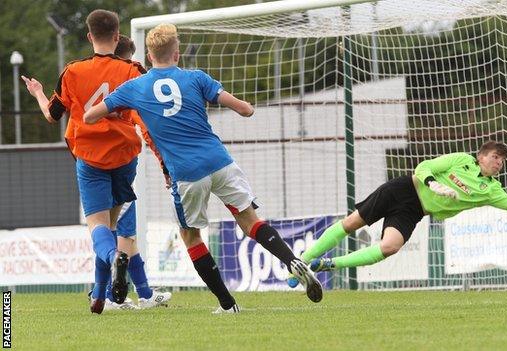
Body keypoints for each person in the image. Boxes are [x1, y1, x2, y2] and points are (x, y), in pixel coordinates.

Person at [84, 23, 323, 312]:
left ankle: (227, 304)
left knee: (191, 236)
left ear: (149, 56)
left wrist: (118, 107)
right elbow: (244, 109)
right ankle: (291, 260)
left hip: (187, 175)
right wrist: (247, 106)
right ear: (177, 54)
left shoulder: (135, 87)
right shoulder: (196, 78)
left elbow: (90, 116)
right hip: (220, 162)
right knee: (249, 220)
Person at [287, 141, 507, 281]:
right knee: (351, 223)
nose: (499, 163)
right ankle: (303, 260)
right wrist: (434, 185)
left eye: (503, 161)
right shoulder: (460, 160)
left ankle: (326, 265)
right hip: (403, 189)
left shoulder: (492, 191)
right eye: (496, 157)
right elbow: (423, 167)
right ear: (481, 155)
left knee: (390, 246)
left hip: (415, 211)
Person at [22, 9, 143, 314]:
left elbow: (52, 115)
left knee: (97, 227)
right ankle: (98, 295)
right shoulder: (133, 70)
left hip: (89, 157)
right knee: (111, 225)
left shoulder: (73, 71)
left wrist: (37, 92)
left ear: (90, 36)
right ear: (117, 37)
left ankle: (112, 264)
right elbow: (148, 113)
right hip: (124, 155)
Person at [91, 34, 171, 311]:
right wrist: (164, 162)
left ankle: (145, 294)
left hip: (95, 164)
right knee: (120, 236)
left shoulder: (94, 80)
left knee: (110, 232)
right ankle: (112, 297)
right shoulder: (129, 87)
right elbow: (145, 128)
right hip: (120, 167)